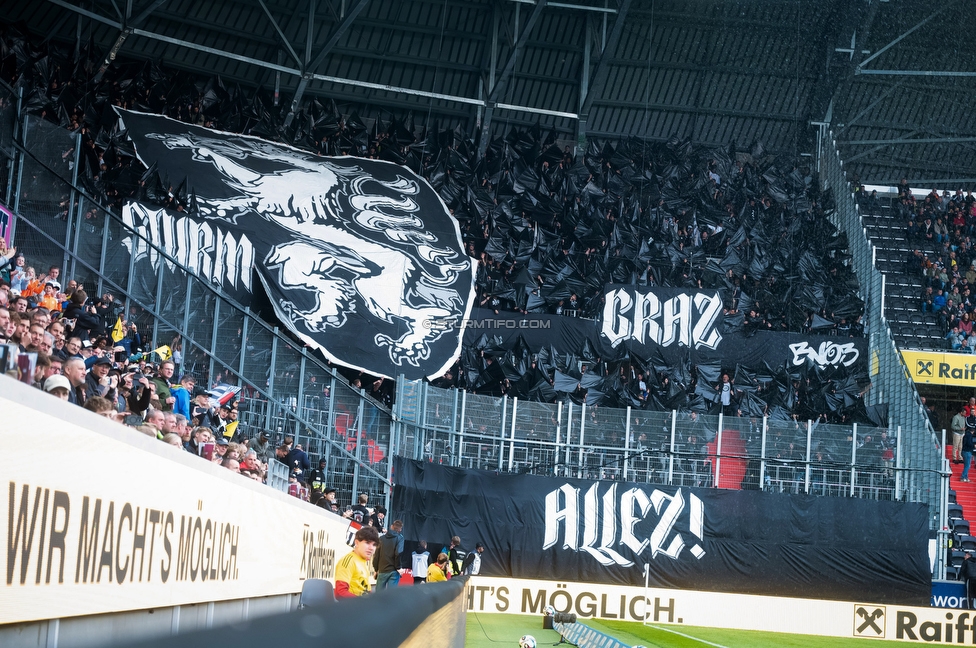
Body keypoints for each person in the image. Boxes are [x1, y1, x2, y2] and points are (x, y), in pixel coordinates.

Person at [335, 526, 380, 598]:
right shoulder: (349, 561)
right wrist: (362, 603)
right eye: (367, 543)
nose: (371, 548)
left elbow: (366, 590)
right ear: (357, 543)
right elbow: (340, 592)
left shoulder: (362, 561)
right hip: (353, 607)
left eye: (374, 545)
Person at [373, 520, 404, 590]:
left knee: (378, 596)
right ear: (400, 529)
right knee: (391, 596)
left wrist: (376, 569)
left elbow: (376, 555)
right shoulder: (400, 538)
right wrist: (398, 567)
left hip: (382, 570)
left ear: (391, 526)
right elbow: (398, 552)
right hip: (393, 570)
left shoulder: (381, 538)